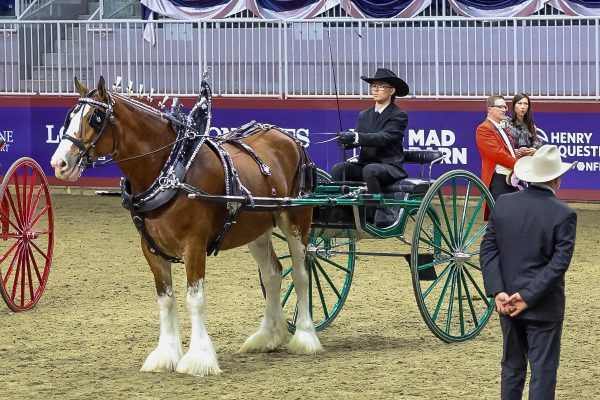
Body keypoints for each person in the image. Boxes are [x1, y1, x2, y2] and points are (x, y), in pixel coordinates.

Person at [480, 144, 578, 400]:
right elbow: (559, 263)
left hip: (507, 301)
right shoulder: (564, 214)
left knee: (511, 368)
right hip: (543, 304)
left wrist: (499, 291)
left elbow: (488, 250)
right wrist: (528, 296)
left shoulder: (503, 203)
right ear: (557, 178)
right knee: (543, 372)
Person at [332, 68, 410, 224]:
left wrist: (356, 137)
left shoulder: (399, 115)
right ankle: (341, 214)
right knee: (339, 169)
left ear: (392, 90)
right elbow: (358, 137)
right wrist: (345, 141)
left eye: (380, 86)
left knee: (371, 170)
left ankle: (369, 217)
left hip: (389, 167)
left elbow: (384, 138)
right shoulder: (364, 115)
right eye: (373, 86)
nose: (375, 89)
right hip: (365, 164)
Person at [475, 95, 519, 218]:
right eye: (500, 107)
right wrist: (518, 164)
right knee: (500, 219)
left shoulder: (501, 128)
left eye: (505, 106)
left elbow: (504, 151)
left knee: (510, 217)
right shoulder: (484, 128)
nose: (504, 109)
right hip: (498, 179)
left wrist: (517, 153)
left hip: (510, 178)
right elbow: (496, 154)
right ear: (490, 109)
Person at [506, 93, 542, 158]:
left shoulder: (531, 126)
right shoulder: (506, 124)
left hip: (528, 162)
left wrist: (535, 150)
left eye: (525, 104)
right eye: (520, 103)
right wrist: (512, 151)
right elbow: (500, 145)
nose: (523, 107)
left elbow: (538, 144)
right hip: (511, 161)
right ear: (514, 106)